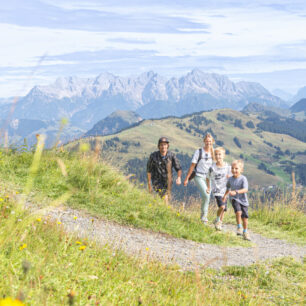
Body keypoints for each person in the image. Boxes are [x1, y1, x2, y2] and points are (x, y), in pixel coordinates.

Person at [184, 133, 215, 224]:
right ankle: (204, 218)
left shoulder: (213, 152)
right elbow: (192, 165)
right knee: (206, 195)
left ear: (212, 142)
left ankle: (203, 216)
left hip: (209, 178)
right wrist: (187, 178)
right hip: (199, 176)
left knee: (207, 197)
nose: (208, 143)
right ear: (204, 141)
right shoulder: (199, 152)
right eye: (206, 141)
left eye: (210, 141)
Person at [147, 137, 182, 203]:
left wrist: (179, 177)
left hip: (168, 182)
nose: (163, 146)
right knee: (164, 197)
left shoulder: (172, 156)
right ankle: (168, 211)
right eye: (161, 145)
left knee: (166, 198)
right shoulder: (153, 156)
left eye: (165, 144)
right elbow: (149, 171)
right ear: (158, 146)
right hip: (157, 181)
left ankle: (163, 210)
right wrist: (149, 185)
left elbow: (178, 168)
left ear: (167, 146)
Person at [222, 160, 251, 241]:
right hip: (234, 199)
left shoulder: (243, 179)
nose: (234, 170)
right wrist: (225, 196)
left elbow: (245, 189)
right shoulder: (230, 179)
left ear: (241, 170)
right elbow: (228, 188)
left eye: (236, 168)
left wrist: (236, 191)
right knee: (238, 212)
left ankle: (245, 232)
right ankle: (239, 227)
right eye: (232, 168)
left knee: (245, 218)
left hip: (243, 200)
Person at [206, 147, 231, 231]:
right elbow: (207, 177)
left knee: (224, 209)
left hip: (225, 191)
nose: (218, 156)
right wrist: (209, 187)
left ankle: (220, 222)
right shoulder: (212, 168)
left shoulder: (228, 167)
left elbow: (232, 178)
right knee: (222, 206)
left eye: (220, 154)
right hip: (217, 191)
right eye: (216, 154)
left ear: (224, 156)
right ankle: (217, 219)